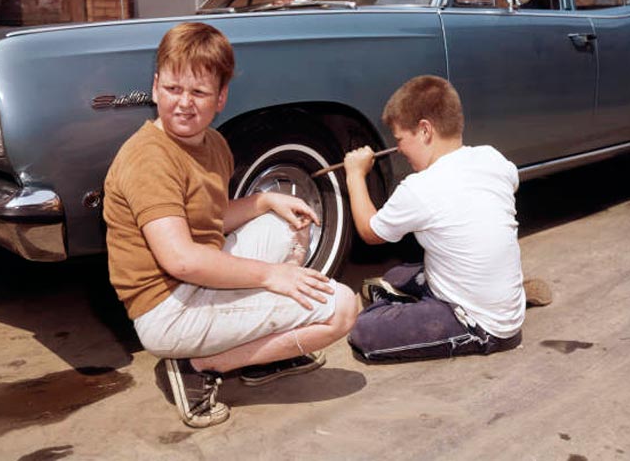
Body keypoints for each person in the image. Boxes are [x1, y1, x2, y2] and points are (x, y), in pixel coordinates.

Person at [103, 22, 358, 428]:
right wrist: (272, 276)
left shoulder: (213, 144)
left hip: (197, 280)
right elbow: (182, 259)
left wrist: (265, 199)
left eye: (199, 92)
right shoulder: (148, 157)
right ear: (154, 88)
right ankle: (199, 365)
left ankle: (261, 357)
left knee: (287, 223)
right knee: (342, 308)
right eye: (172, 89)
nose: (184, 103)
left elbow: (209, 218)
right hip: (168, 309)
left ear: (221, 98)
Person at [342, 75, 525, 362]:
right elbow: (507, 186)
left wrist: (354, 174)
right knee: (394, 276)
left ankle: (443, 314)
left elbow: (369, 231)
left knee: (365, 330)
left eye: (400, 139)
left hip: (479, 323)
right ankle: (499, 292)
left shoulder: (421, 188)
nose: (399, 149)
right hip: (488, 295)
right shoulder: (493, 158)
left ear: (425, 130)